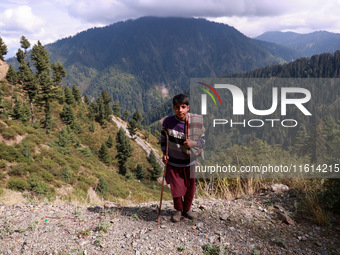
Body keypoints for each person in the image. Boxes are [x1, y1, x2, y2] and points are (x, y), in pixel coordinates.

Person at [160, 94, 205, 222]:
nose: (180, 110)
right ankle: (178, 210)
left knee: (190, 188)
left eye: (183, 107)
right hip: (174, 162)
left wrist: (194, 143)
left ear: (188, 107)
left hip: (190, 162)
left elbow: (204, 139)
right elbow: (163, 139)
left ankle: (187, 209)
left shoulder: (196, 122)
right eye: (177, 107)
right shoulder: (168, 122)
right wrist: (165, 153)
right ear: (173, 108)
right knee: (176, 187)